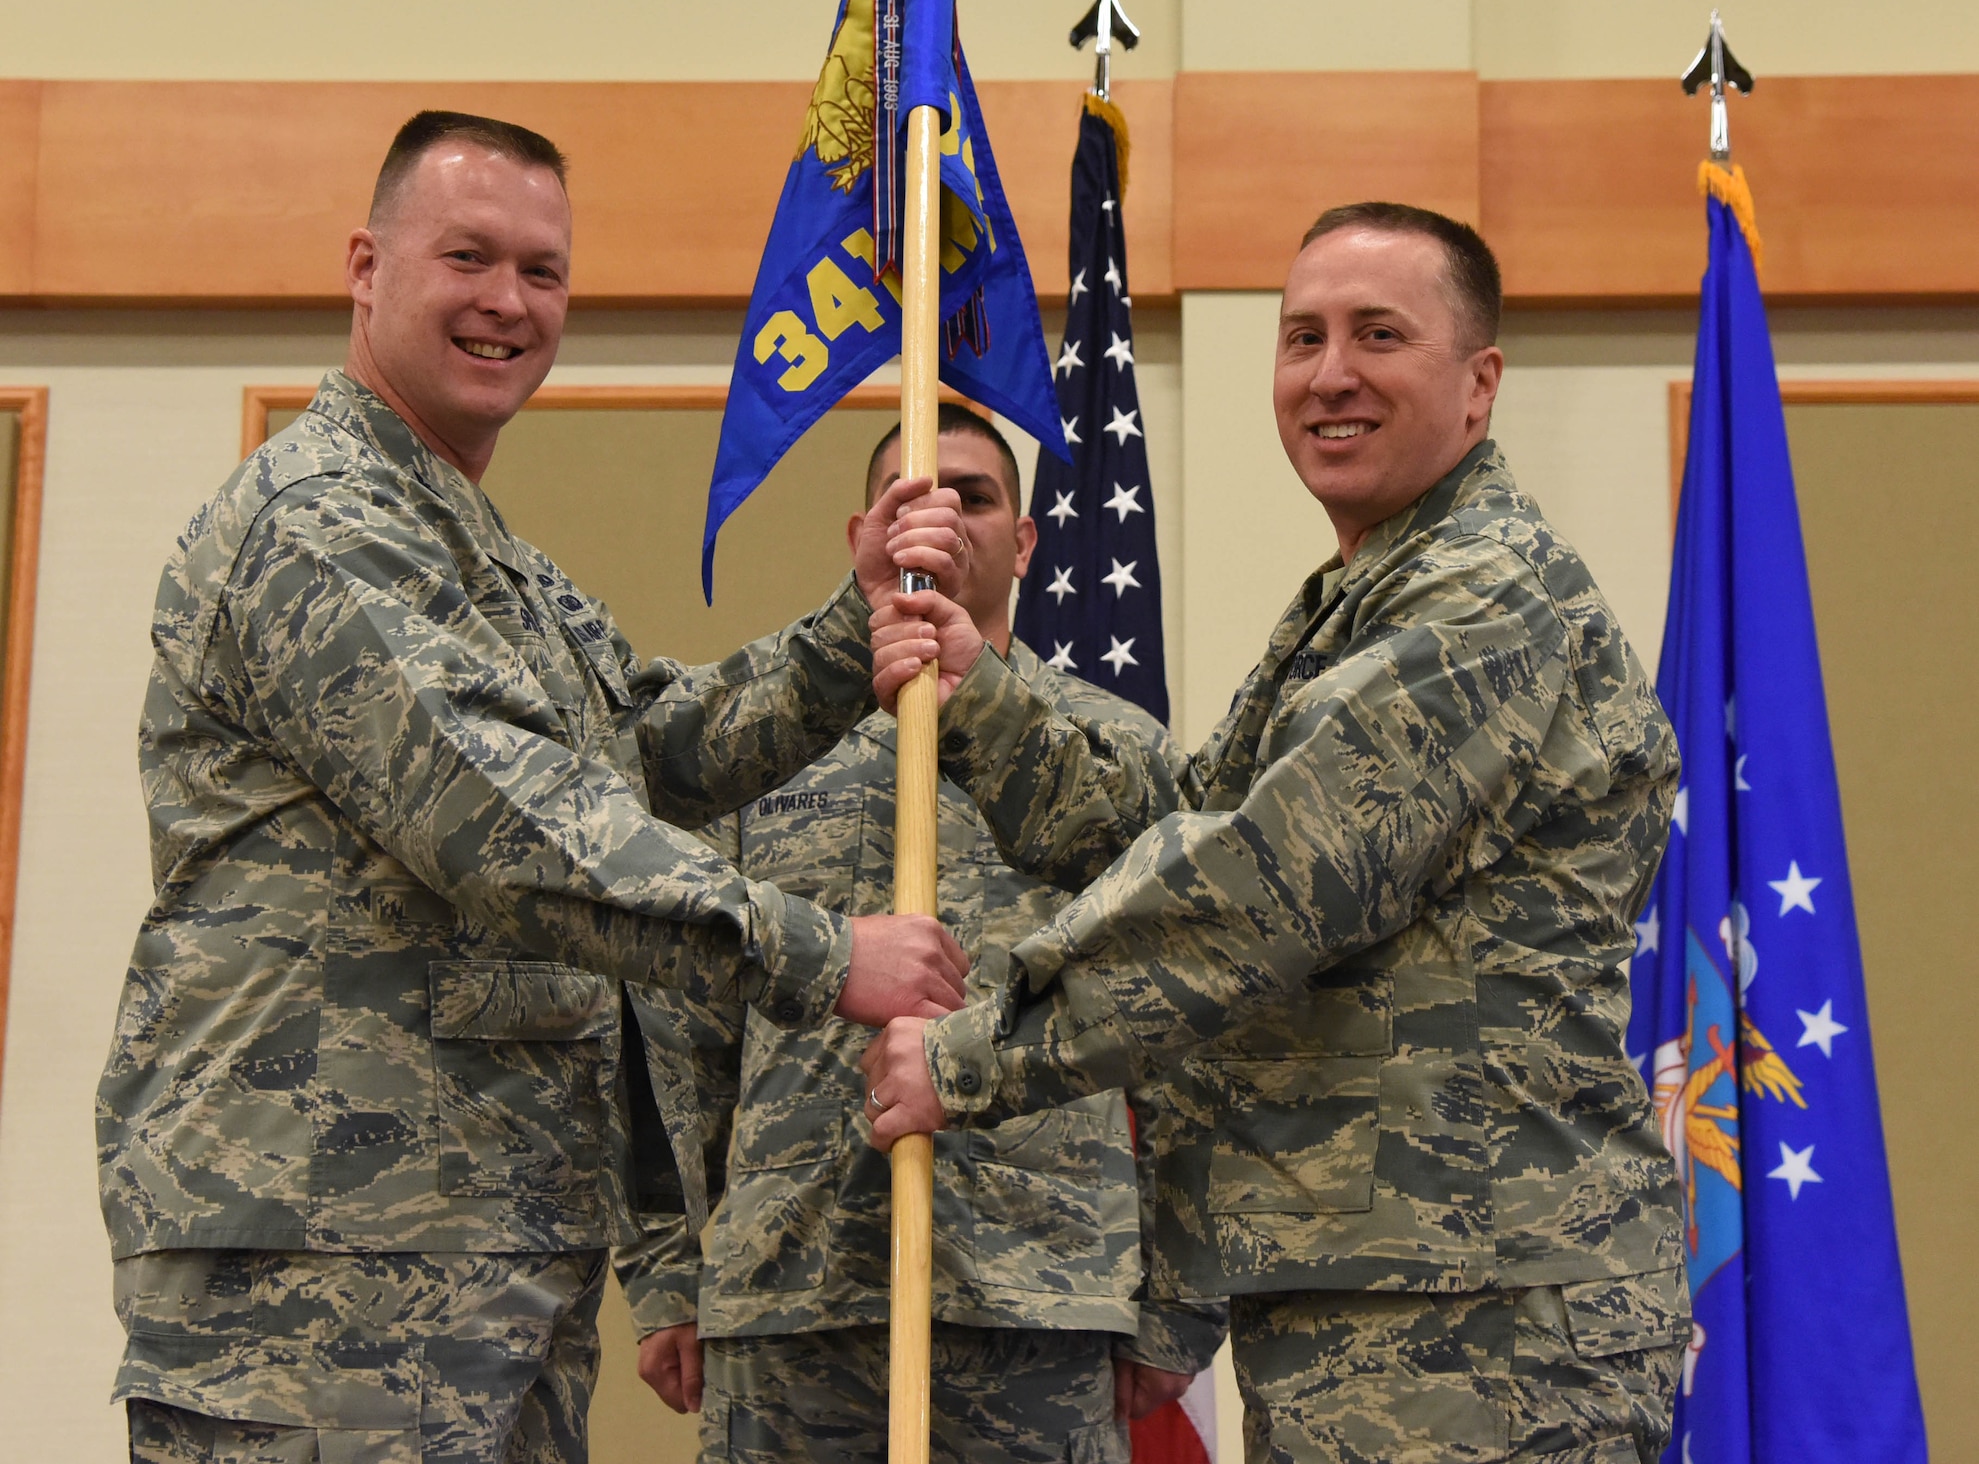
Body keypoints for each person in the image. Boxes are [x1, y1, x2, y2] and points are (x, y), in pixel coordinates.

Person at [102, 111, 971, 1464]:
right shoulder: (319, 526)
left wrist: (842, 643)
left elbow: (649, 747)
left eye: (543, 273)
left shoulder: (477, 549)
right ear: (364, 266)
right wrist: (818, 953)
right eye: (468, 257)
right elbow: (511, 827)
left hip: (483, 1250)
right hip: (323, 1262)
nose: (507, 303)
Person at [862, 203, 1691, 1462]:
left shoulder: (1482, 599)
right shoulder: (1361, 592)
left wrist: (971, 1056)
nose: (1329, 373)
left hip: (1485, 1317)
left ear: (1478, 385)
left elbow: (1254, 891)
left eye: (1377, 334)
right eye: (1300, 336)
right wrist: (985, 698)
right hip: (1378, 1289)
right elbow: (1170, 823)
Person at [618, 403, 1226, 1464]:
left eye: (975, 497)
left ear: (1027, 538)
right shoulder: (771, 748)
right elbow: (679, 1031)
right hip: (792, 1293)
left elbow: (1185, 1028)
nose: (940, 523)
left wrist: (1177, 1302)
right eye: (912, 497)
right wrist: (667, 1271)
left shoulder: (1115, 751)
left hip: (1037, 1298)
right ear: (866, 530)